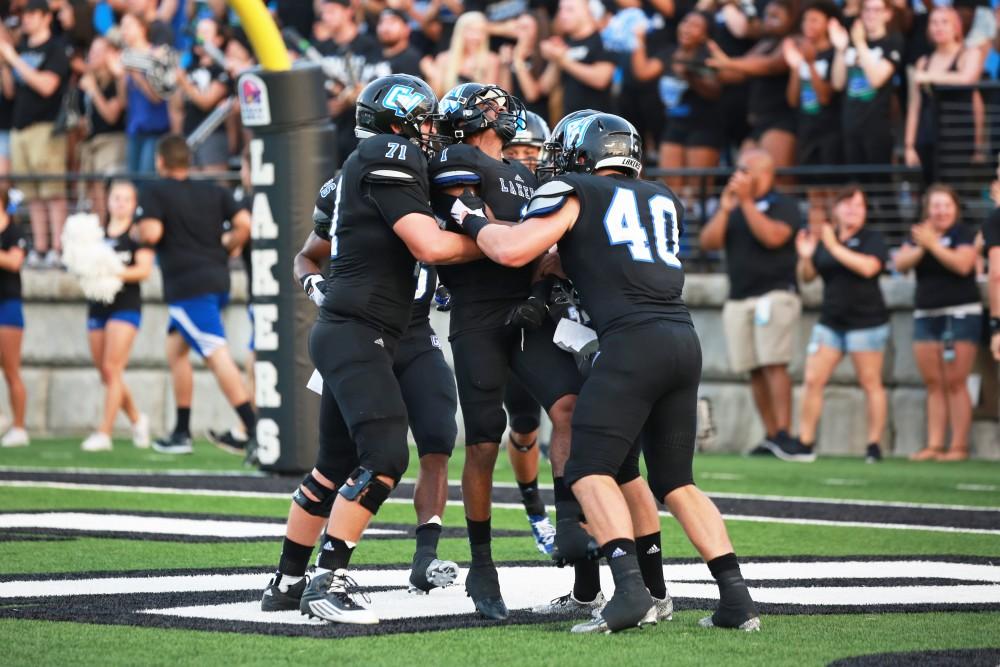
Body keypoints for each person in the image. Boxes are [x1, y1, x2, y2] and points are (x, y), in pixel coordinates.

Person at [449, 112, 759, 634]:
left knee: (590, 471)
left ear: (583, 154)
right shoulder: (661, 196)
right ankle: (736, 598)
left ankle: (630, 592)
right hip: (682, 340)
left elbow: (510, 249)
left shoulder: (575, 189)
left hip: (631, 345)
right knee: (676, 481)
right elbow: (619, 258)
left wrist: (469, 218)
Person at [294, 74, 481, 625]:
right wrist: (494, 242)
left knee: (335, 465)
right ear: (397, 123)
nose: (431, 132)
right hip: (359, 328)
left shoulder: (407, 168)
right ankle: (326, 582)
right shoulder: (384, 154)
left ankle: (287, 579)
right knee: (383, 458)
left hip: (391, 330)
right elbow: (428, 244)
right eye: (422, 121)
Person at [428, 84, 587, 621]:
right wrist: (522, 240)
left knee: (567, 406)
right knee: (482, 442)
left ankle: (567, 521)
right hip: (477, 314)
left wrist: (541, 279)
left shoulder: (527, 173)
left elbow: (543, 249)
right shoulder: (458, 157)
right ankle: (482, 563)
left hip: (527, 312)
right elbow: (473, 225)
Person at [262, 190, 461, 613]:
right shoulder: (361, 190)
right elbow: (306, 256)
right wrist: (317, 287)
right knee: (342, 463)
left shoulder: (443, 185)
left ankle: (422, 555)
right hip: (360, 333)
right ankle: (306, 578)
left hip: (414, 332)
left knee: (438, 433)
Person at [136, 134, 255, 456]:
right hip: (218, 279)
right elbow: (245, 223)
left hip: (188, 287)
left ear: (160, 161)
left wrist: (138, 230)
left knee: (216, 354)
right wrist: (229, 244)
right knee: (175, 351)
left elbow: (152, 233)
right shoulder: (213, 190)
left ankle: (255, 430)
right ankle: (181, 431)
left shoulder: (154, 191)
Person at [698, 148, 804, 458]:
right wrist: (726, 209)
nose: (738, 175)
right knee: (753, 368)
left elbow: (773, 237)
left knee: (774, 363)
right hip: (739, 296)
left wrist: (745, 202)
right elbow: (708, 242)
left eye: (745, 169)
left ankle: (785, 433)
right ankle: (771, 435)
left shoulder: (783, 205)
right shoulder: (731, 206)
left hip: (774, 295)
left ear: (764, 173)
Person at [792, 186, 890, 463]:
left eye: (858, 205)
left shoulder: (871, 238)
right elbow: (808, 276)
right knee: (812, 380)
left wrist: (834, 246)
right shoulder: (827, 238)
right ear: (836, 209)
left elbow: (869, 268)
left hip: (866, 322)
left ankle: (874, 445)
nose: (852, 210)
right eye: (847, 204)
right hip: (831, 321)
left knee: (870, 382)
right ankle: (805, 442)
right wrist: (807, 254)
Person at [500, 109, 557, 555]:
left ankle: (579, 513)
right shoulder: (492, 188)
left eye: (530, 152)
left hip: (562, 314)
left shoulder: (562, 190)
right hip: (512, 315)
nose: (522, 160)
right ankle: (536, 509)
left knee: (578, 418)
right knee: (523, 425)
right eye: (513, 152)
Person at [894, 184, 980, 462]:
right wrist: (923, 246)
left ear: (955, 209)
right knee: (933, 382)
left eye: (946, 205)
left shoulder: (964, 234)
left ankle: (958, 446)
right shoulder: (918, 234)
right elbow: (900, 264)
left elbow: (963, 264)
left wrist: (933, 245)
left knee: (956, 381)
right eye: (935, 205)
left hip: (960, 313)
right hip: (926, 313)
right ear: (927, 209)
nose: (941, 211)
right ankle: (934, 444)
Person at [81, 181, 153, 452]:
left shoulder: (137, 233)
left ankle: (104, 432)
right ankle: (137, 419)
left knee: (113, 369)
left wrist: (111, 271)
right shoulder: (96, 234)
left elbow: (143, 270)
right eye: (116, 198)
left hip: (126, 304)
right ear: (108, 201)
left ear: (134, 204)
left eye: (126, 199)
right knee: (105, 373)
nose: (120, 203)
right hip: (98, 304)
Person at [0, 0, 70, 269]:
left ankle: (58, 248)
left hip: (46, 127)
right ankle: (40, 249)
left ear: (44, 17)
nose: (26, 20)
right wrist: (6, 65)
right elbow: (10, 92)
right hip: (20, 128)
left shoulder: (55, 48)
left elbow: (46, 86)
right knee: (32, 194)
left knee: (52, 192)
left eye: (31, 14)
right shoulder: (21, 48)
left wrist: (14, 58)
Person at [632, 10, 723, 199]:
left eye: (696, 26)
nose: (688, 28)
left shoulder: (708, 56)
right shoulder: (669, 53)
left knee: (698, 190)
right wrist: (638, 40)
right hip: (674, 125)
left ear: (705, 35)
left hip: (703, 126)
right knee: (671, 187)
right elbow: (643, 72)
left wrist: (691, 75)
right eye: (686, 22)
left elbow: (715, 91)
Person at [707, 0, 797, 171]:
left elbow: (770, 65)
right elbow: (738, 72)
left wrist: (728, 63)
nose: (769, 21)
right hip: (758, 123)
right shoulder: (764, 43)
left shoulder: (794, 41)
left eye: (775, 17)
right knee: (744, 173)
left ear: (791, 19)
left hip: (781, 121)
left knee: (778, 180)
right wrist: (708, 66)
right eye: (767, 16)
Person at [904, 6, 984, 184]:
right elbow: (914, 105)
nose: (938, 27)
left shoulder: (970, 53)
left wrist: (930, 77)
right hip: (927, 136)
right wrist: (909, 145)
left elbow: (967, 79)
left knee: (955, 188)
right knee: (928, 188)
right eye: (934, 22)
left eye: (944, 22)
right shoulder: (923, 62)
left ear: (957, 27)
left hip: (958, 138)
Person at [830, 0, 902, 169]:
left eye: (877, 10)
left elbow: (876, 80)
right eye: (867, 10)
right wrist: (841, 49)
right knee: (855, 182)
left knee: (878, 183)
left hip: (877, 126)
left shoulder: (892, 41)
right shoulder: (851, 43)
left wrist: (860, 43)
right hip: (850, 124)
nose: (871, 14)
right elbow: (838, 83)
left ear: (887, 14)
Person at [784, 1, 840, 217]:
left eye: (815, 20)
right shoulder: (802, 54)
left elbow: (825, 97)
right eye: (806, 19)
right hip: (806, 129)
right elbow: (792, 99)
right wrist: (797, 67)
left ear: (827, 24)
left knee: (831, 187)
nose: (809, 24)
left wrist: (810, 62)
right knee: (812, 188)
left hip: (830, 131)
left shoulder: (834, 53)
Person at [537, 0, 615, 119]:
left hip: (599, 122)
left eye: (569, 10)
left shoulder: (602, 39)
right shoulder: (566, 43)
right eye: (561, 9)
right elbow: (545, 87)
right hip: (571, 123)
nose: (562, 15)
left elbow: (601, 79)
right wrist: (554, 59)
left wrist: (563, 60)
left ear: (586, 11)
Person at [77, 36, 126, 223]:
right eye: (91, 51)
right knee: (92, 190)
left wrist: (94, 91)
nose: (91, 56)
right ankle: (98, 229)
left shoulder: (115, 81)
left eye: (97, 52)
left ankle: (107, 229)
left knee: (105, 188)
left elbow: (111, 116)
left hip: (112, 140)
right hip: (92, 142)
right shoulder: (89, 81)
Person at [174, 17, 231, 173]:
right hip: (189, 135)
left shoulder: (222, 69)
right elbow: (177, 105)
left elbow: (207, 101)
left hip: (212, 136)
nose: (199, 37)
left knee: (214, 186)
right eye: (198, 32)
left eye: (205, 32)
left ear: (218, 40)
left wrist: (184, 82)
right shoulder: (190, 67)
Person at [120, 12, 170, 175]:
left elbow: (158, 96)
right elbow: (123, 102)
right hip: (134, 130)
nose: (124, 31)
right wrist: (120, 77)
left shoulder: (158, 54)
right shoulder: (126, 58)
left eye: (128, 26)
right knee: (133, 182)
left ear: (142, 28)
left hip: (155, 129)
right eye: (122, 26)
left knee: (147, 180)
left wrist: (136, 76)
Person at [0, 187, 27, 448]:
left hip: (8, 305)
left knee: (11, 370)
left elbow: (14, 261)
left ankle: (19, 427)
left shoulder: (14, 231)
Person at [420, 12, 501, 98]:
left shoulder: (491, 60)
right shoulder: (443, 59)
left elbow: (491, 97)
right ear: (460, 32)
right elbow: (435, 98)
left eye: (481, 32)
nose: (476, 37)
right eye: (471, 31)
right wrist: (433, 75)